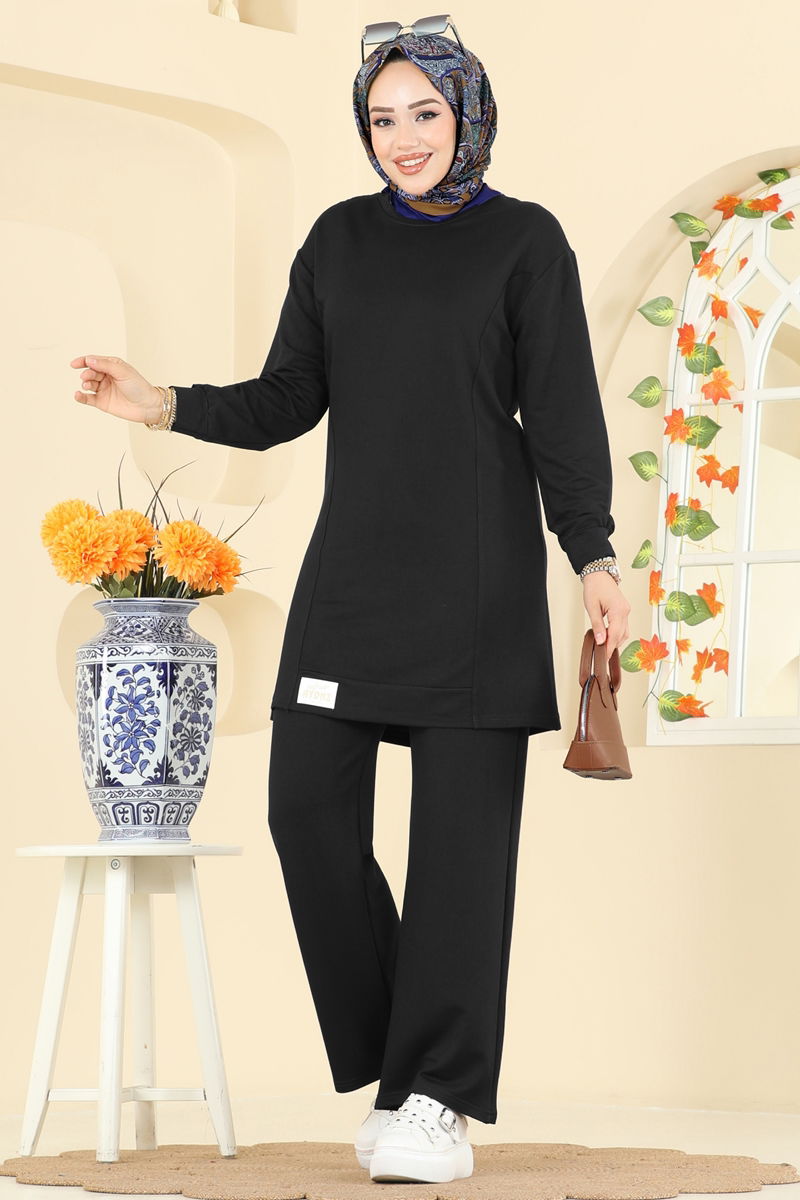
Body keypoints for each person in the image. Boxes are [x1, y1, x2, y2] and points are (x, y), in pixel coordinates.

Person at [69, 23, 631, 1187]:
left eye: (425, 113)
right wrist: (161, 402)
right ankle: (407, 1069)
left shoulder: (525, 242)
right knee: (306, 815)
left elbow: (562, 415)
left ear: (467, 114)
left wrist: (591, 555)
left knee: (459, 860)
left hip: (475, 588)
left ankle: (436, 1102)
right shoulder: (338, 239)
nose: (403, 138)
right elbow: (288, 397)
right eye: (382, 118)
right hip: (353, 583)